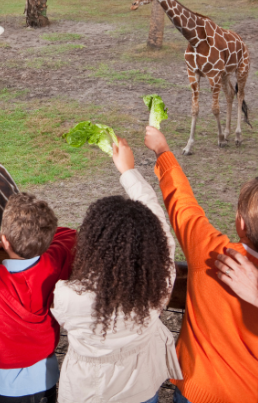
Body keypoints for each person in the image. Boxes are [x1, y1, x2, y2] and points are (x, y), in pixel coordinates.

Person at [50, 137, 182, 403]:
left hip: (85, 392)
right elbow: (163, 230)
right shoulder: (161, 279)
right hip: (141, 388)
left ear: (91, 242)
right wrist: (128, 171)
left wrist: (127, 169)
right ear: (151, 242)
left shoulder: (67, 295)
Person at [145, 126, 258, 403]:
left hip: (196, 388)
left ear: (240, 222)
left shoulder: (212, 253)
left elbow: (183, 205)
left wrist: (162, 150)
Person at [0, 193, 76, 403]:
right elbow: (69, 234)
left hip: (3, 385)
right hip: (44, 379)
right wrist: (39, 239)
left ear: (4, 241)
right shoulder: (55, 261)